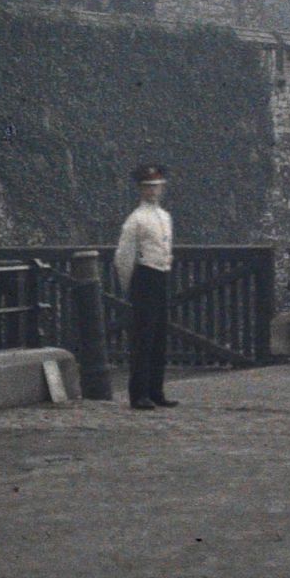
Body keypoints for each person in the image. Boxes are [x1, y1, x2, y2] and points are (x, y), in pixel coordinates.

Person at [114, 161, 177, 411]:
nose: (153, 191)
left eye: (156, 186)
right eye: (148, 187)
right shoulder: (135, 219)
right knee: (143, 338)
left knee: (159, 336)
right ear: (140, 190)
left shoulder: (164, 217)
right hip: (144, 276)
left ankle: (156, 390)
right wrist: (130, 285)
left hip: (161, 274)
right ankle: (138, 393)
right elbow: (124, 256)